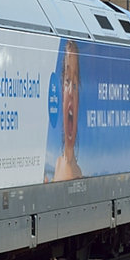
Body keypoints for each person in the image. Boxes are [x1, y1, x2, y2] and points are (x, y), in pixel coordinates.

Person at [53, 41, 83, 181]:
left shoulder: (80, 171)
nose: (71, 92)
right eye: (67, 81)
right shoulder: (54, 168)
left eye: (75, 84)